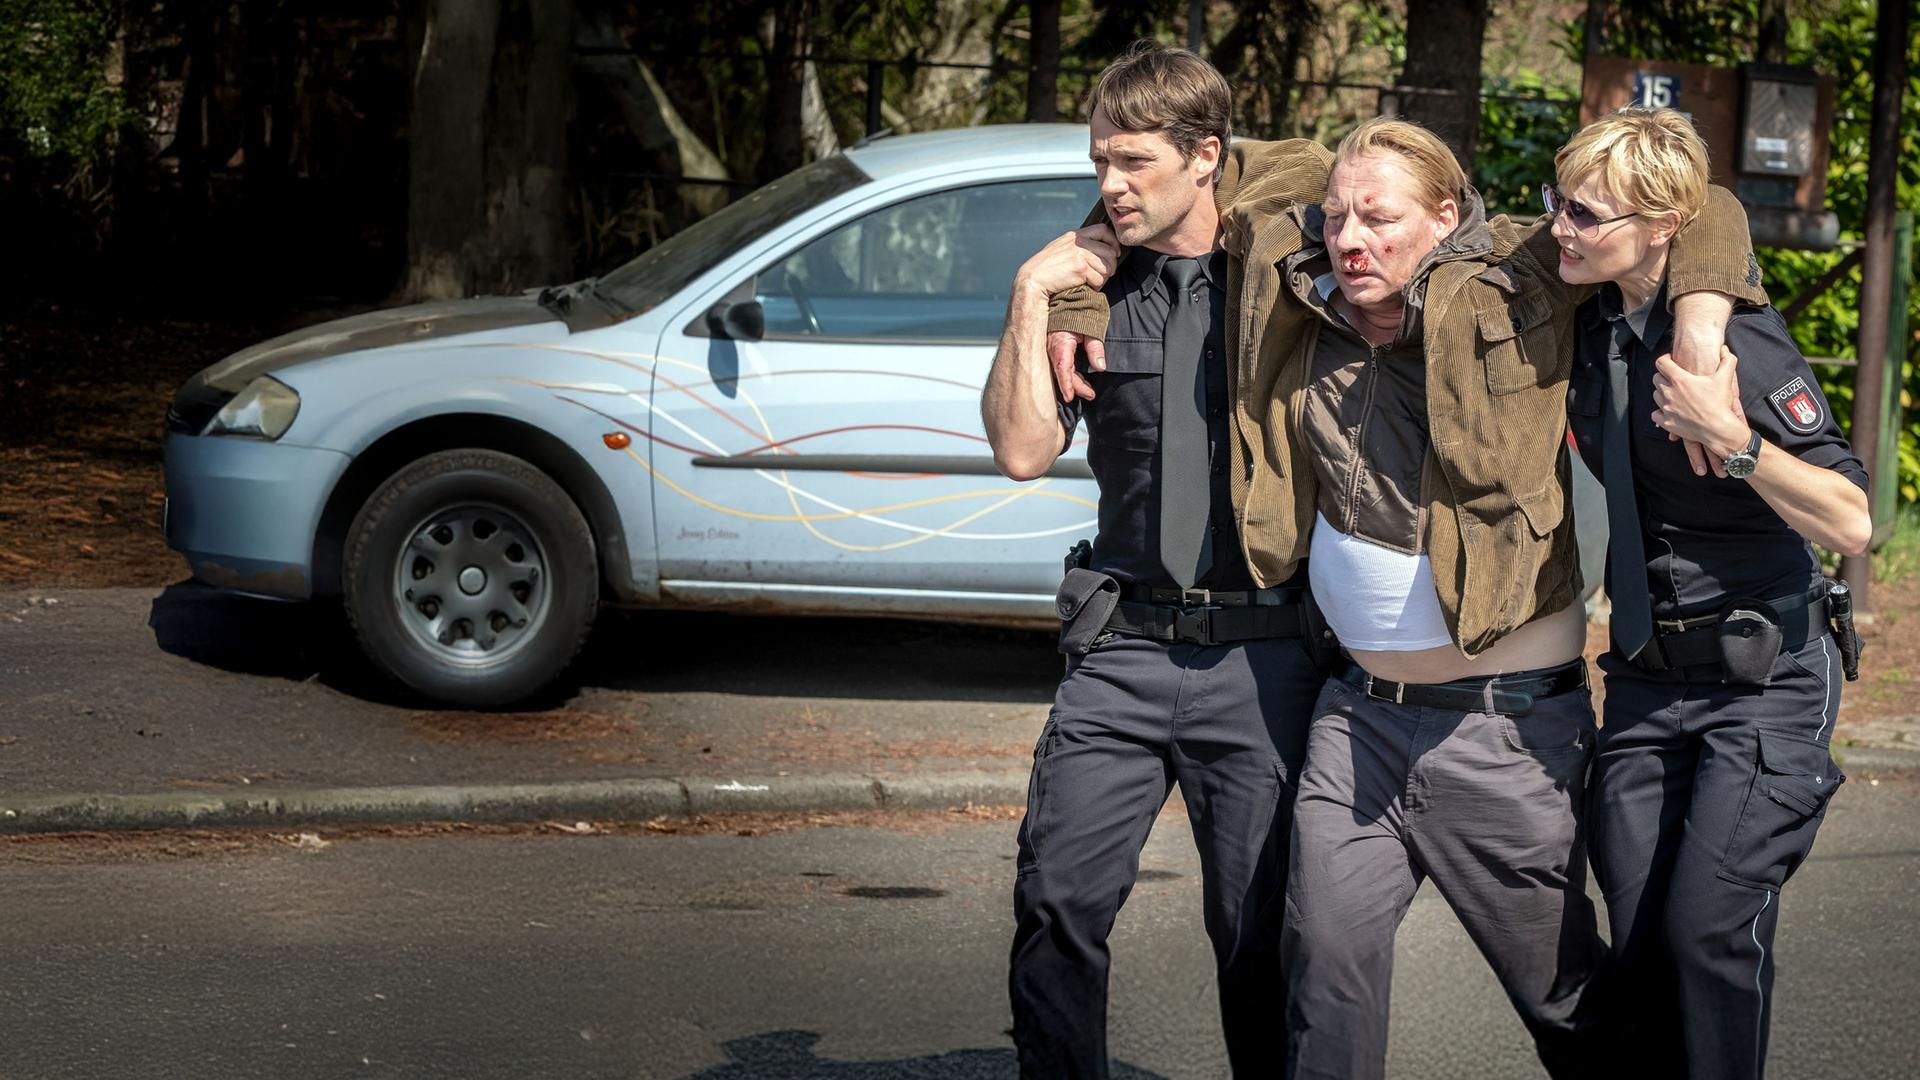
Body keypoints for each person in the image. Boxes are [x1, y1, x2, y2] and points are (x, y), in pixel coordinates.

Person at [1048, 114, 1765, 1079]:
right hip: (1356, 723)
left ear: (1446, 214)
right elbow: (1181, 163)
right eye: (1337, 216)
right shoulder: (1295, 278)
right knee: (1324, 975)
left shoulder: (1529, 267)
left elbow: (1703, 203)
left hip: (1503, 734)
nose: (1350, 239)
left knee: (1566, 1001)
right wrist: (1072, 293)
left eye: (1378, 220)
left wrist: (1703, 321)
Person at [982, 44, 1334, 1079]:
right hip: (1122, 651)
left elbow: (1348, 176)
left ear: (1207, 156)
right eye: (1099, 160)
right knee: (1055, 905)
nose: (1110, 184)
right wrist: (1031, 292)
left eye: (1134, 161)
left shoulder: (1290, 272)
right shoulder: (1089, 285)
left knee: (1258, 936)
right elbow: (1018, 450)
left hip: (1264, 658)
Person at [1551, 107, 1870, 1080]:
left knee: (1705, 940)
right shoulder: (1589, 310)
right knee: (1643, 950)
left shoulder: (1738, 348)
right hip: (1647, 686)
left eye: (1585, 213)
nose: (1559, 226)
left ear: (1658, 228)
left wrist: (1734, 440)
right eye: (1555, 203)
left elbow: (1851, 518)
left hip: (1761, 685)